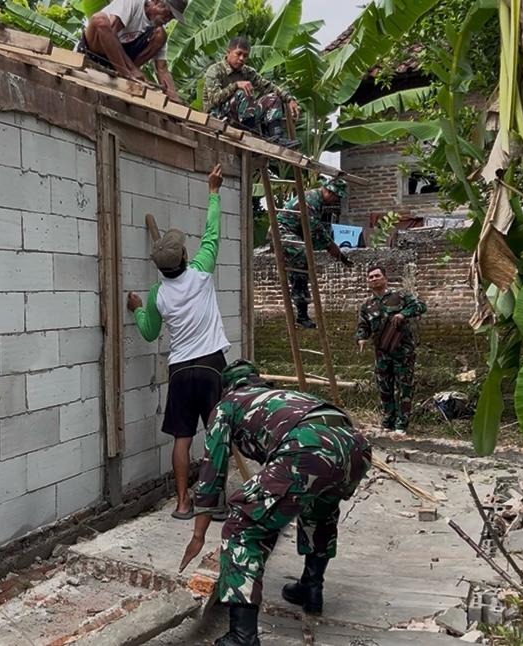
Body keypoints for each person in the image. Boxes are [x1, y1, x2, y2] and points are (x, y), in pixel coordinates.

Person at [178, 360, 372, 646]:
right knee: (320, 511)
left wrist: (198, 534)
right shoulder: (281, 397)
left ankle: (242, 636)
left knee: (243, 526)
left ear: (228, 387)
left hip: (307, 446)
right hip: (355, 446)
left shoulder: (228, 404)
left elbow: (212, 471)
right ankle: (311, 588)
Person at [127, 163, 228, 520]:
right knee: (217, 435)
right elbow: (212, 234)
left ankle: (184, 503)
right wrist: (213, 192)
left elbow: (151, 333)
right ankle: (213, 504)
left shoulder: (157, 294)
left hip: (181, 369)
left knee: (182, 438)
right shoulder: (201, 271)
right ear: (185, 257)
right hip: (212, 364)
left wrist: (139, 309)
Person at [355, 266, 428, 434]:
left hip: (403, 351)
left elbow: (421, 306)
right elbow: (363, 325)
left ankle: (402, 425)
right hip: (381, 352)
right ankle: (388, 422)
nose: (374, 279)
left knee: (404, 387)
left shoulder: (400, 296)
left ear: (385, 278)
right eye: (371, 277)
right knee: (384, 388)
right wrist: (361, 338)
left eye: (377, 276)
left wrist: (404, 314)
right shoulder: (367, 305)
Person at [80, 0, 186, 102]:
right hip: (94, 52)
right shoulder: (133, 2)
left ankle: (125, 74)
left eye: (172, 18)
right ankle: (126, 74)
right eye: (169, 13)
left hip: (117, 64)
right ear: (157, 2)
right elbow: (111, 31)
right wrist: (132, 70)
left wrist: (174, 97)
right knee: (100, 20)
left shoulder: (156, 30)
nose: (168, 19)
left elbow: (162, 68)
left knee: (161, 36)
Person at [203, 37, 300, 147]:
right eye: (238, 54)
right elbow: (214, 99)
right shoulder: (215, 70)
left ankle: (277, 136)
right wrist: (236, 85)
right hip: (218, 116)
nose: (241, 58)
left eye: (245, 56)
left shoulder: (247, 71)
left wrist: (289, 99)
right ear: (228, 52)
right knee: (242, 91)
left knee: (272, 98)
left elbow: (268, 86)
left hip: (243, 116)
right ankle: (250, 130)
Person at [279, 179, 350, 328]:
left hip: (296, 234)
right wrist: (339, 255)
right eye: (336, 196)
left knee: (302, 269)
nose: (336, 200)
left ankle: (302, 315)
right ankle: (301, 313)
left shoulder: (319, 201)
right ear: (329, 191)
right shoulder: (311, 200)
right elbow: (317, 230)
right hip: (283, 231)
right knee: (302, 256)